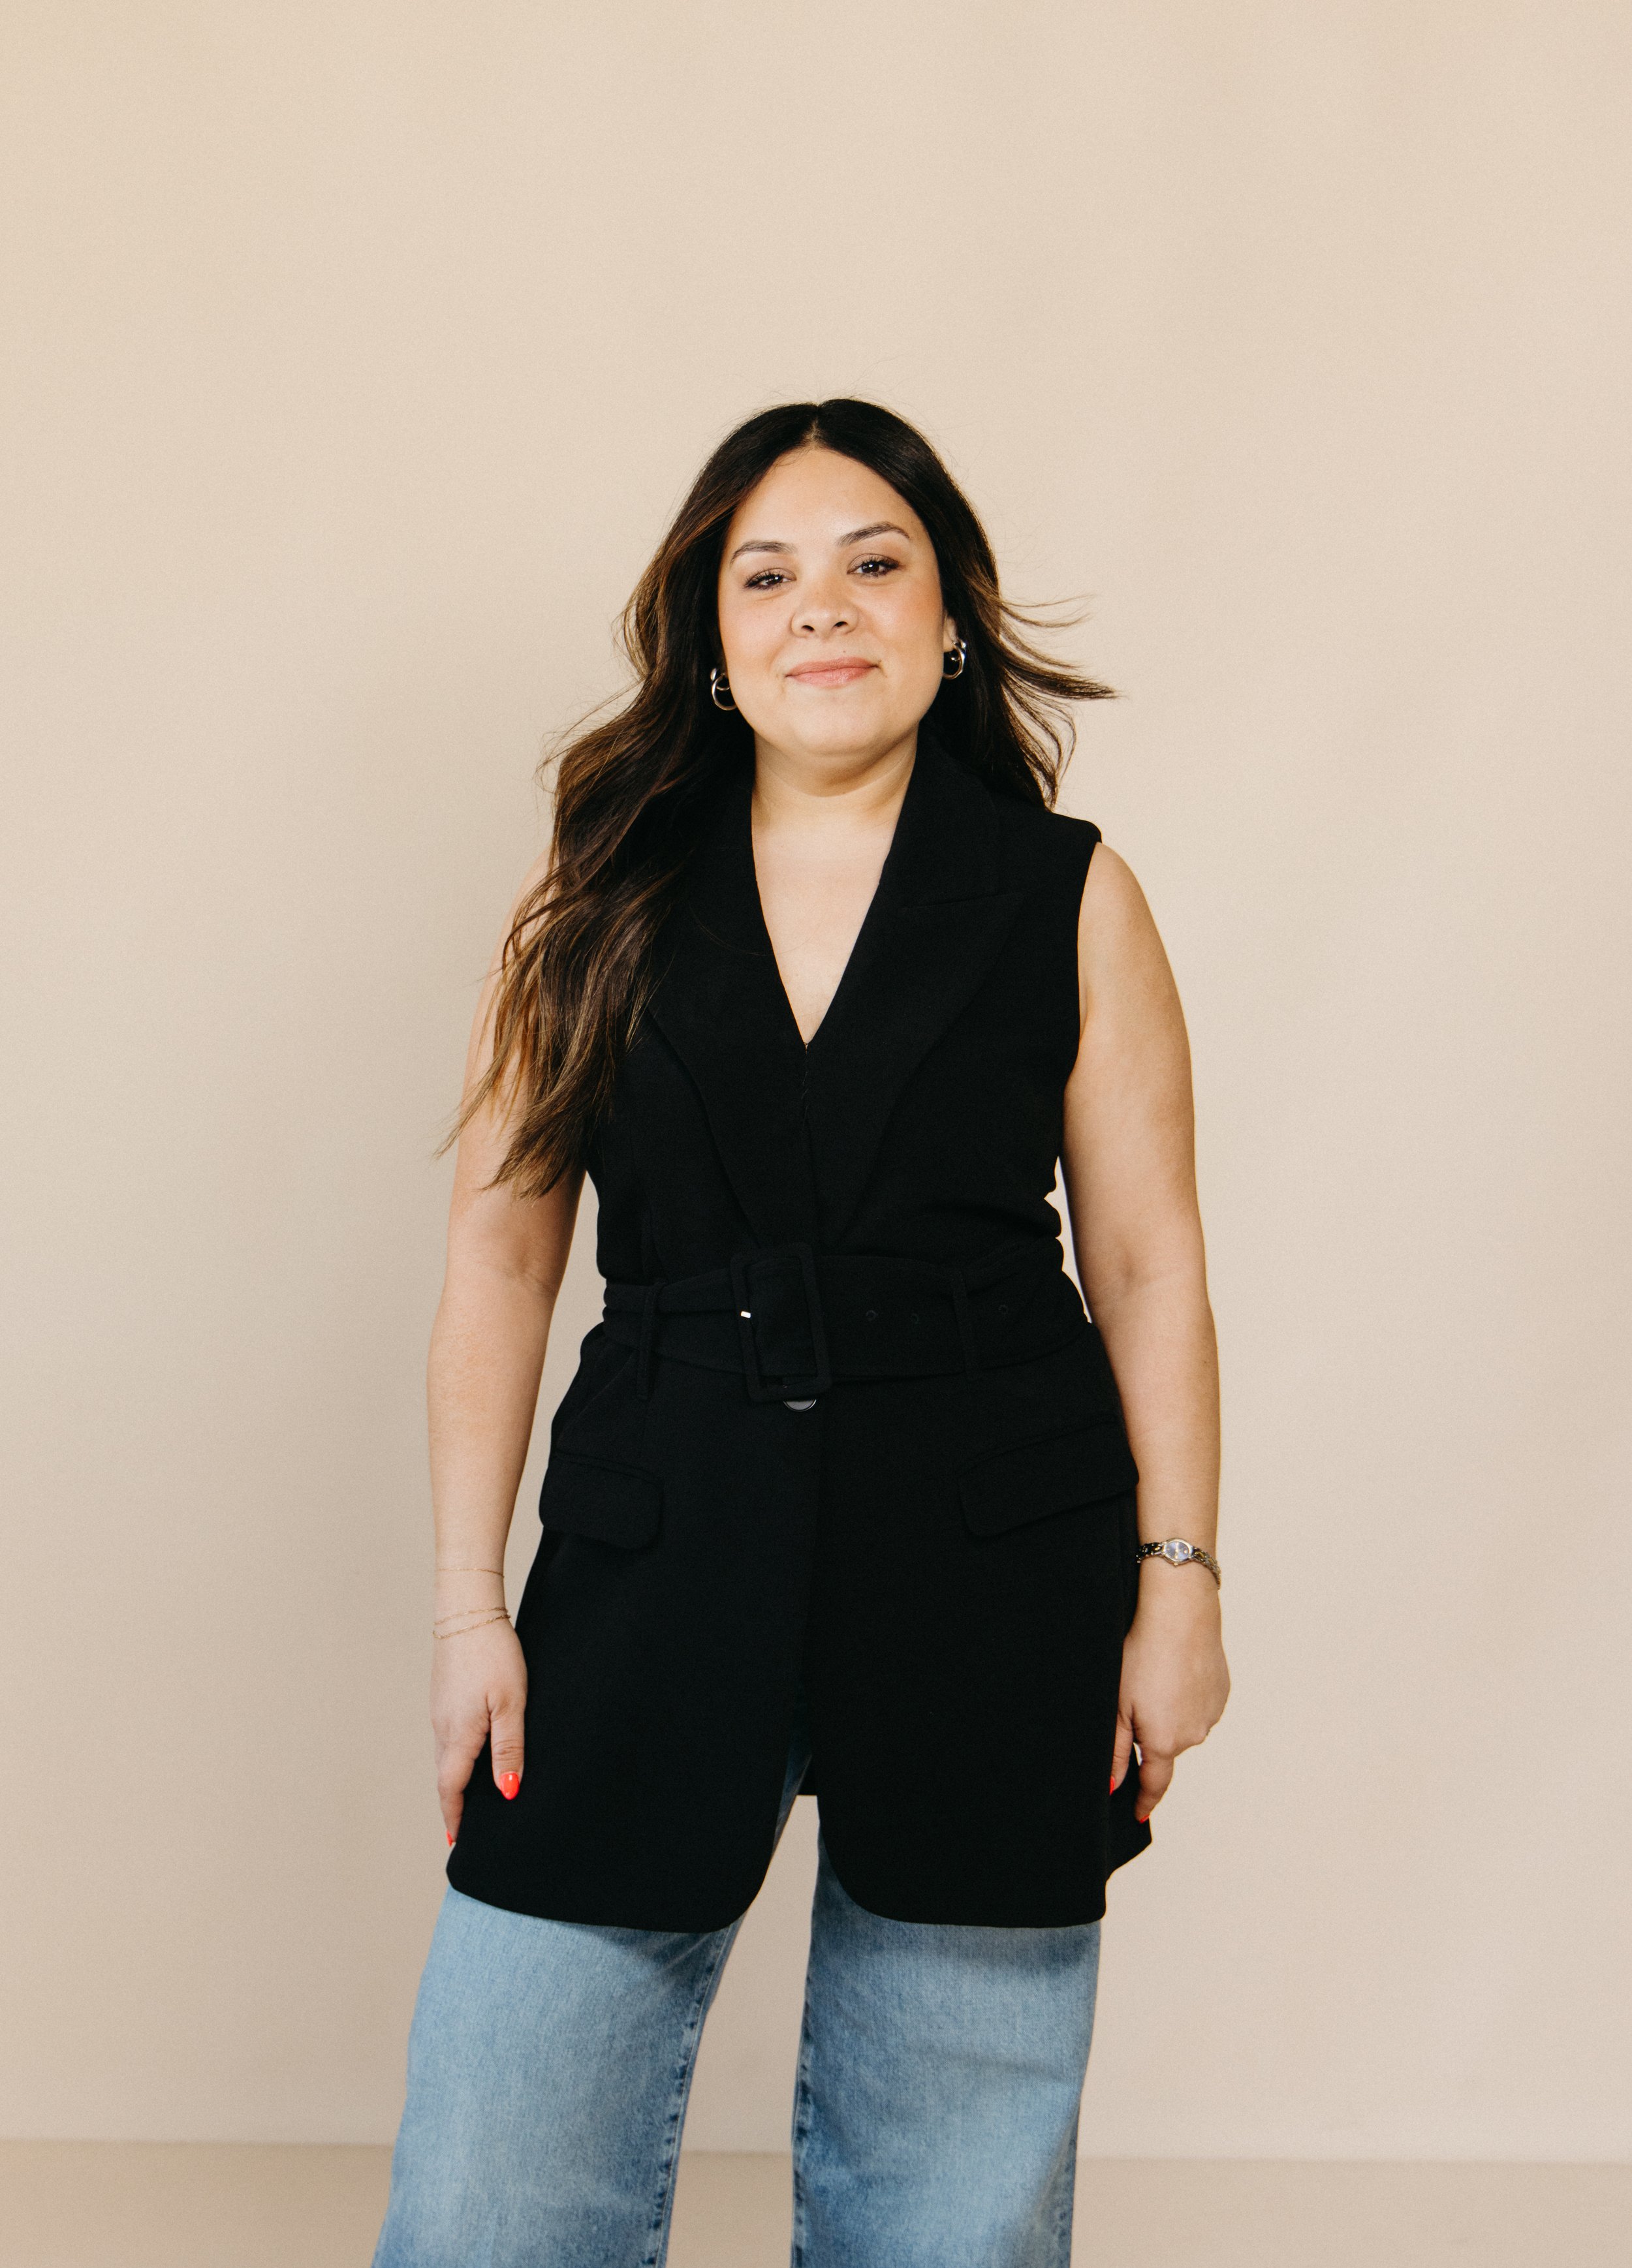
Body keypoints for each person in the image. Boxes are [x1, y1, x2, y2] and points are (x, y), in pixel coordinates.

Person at [372, 399, 1230, 2268]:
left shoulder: (1068, 895)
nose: (817, 608)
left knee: (953, 2199)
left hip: (997, 1554)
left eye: (872, 564)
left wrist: (1178, 1580)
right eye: (765, 574)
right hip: (657, 1530)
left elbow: (1148, 1259)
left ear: (950, 622)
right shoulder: (585, 901)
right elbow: (501, 1258)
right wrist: (466, 1607)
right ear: (707, 633)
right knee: (490, 2195)